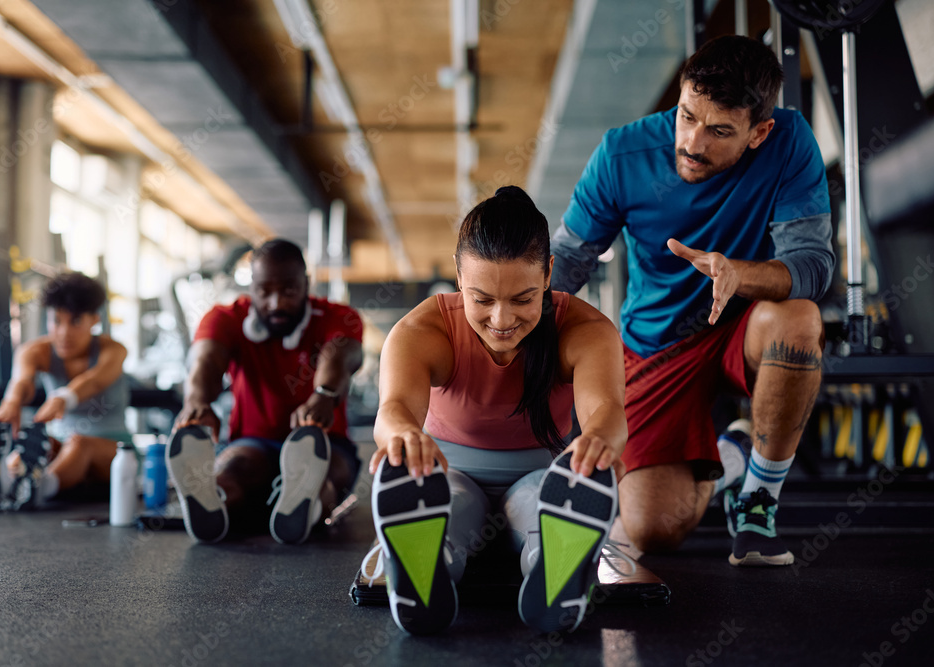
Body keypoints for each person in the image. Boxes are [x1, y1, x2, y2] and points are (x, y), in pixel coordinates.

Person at [550, 35, 834, 566]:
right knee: (652, 530)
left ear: (759, 132)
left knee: (799, 319)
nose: (693, 143)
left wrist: (738, 274)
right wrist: (506, 322)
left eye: (720, 130)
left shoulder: (790, 141)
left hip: (743, 327)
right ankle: (735, 455)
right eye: (686, 117)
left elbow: (813, 266)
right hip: (657, 344)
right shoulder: (621, 154)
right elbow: (568, 259)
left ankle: (757, 503)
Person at [363, 186, 627, 636]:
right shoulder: (424, 329)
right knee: (448, 504)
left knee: (541, 505)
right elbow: (395, 408)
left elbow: (605, 408)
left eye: (522, 299)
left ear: (548, 273)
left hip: (540, 473)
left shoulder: (585, 329)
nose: (502, 320)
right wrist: (403, 434)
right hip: (447, 470)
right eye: (482, 299)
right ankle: (426, 562)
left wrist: (598, 440)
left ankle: (555, 565)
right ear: (458, 276)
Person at [168, 239, 363, 546]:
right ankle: (216, 497)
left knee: (325, 474)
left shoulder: (338, 316)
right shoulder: (225, 318)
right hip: (253, 441)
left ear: (306, 284)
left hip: (321, 440)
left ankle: (308, 504)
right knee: (235, 468)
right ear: (252, 287)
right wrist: (197, 401)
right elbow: (206, 359)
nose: (276, 303)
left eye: (289, 290)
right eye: (264, 291)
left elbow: (339, 356)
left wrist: (324, 394)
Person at [0, 271, 132, 510]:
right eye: (56, 321)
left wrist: (62, 398)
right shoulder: (36, 351)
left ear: (94, 320)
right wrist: (11, 403)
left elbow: (94, 380)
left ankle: (40, 488)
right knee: (41, 445)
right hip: (65, 446)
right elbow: (22, 380)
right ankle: (6, 484)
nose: (64, 332)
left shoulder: (114, 350)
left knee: (79, 443)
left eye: (75, 322)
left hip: (115, 450)